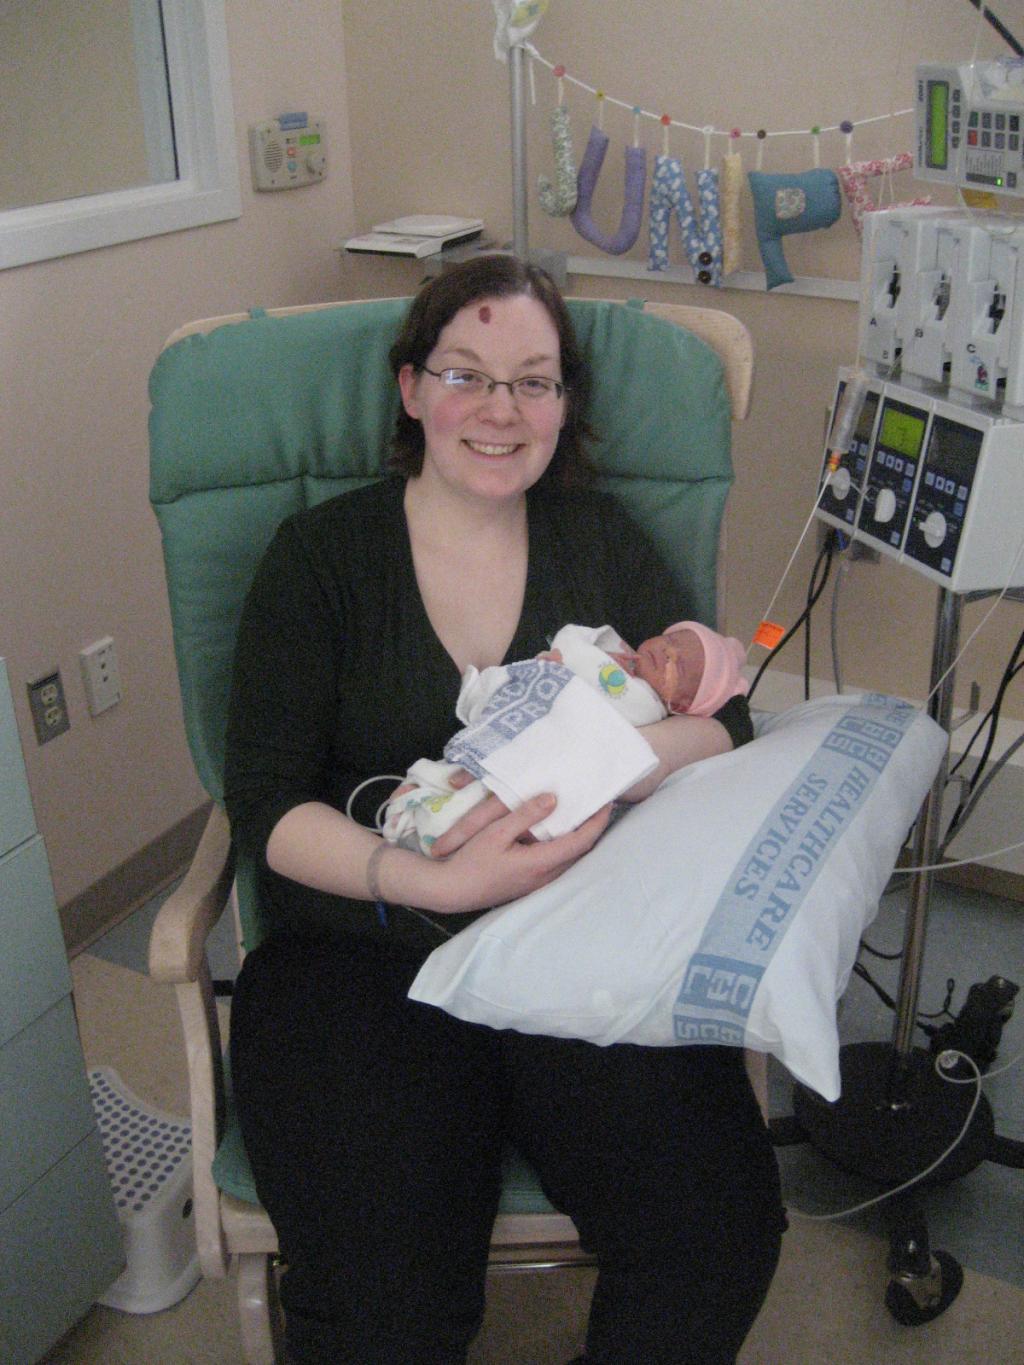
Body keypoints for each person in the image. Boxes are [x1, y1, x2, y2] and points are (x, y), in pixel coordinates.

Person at [224, 254, 785, 1364]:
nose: (499, 409)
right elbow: (267, 803)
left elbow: (729, 723)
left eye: (534, 381)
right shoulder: (322, 560)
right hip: (360, 954)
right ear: (410, 387)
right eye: (466, 373)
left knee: (715, 1237)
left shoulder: (600, 542)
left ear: (565, 405)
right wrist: (429, 878)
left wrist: (614, 759)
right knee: (381, 1310)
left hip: (575, 941)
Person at [381, 619, 750, 855]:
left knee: (476, 808)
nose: (665, 652)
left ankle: (431, 829)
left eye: (677, 664)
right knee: (447, 775)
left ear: (682, 705)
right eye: (670, 640)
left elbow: (600, 733)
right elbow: (559, 664)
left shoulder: (647, 710)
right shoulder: (606, 649)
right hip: (503, 732)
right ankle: (418, 805)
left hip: (534, 775)